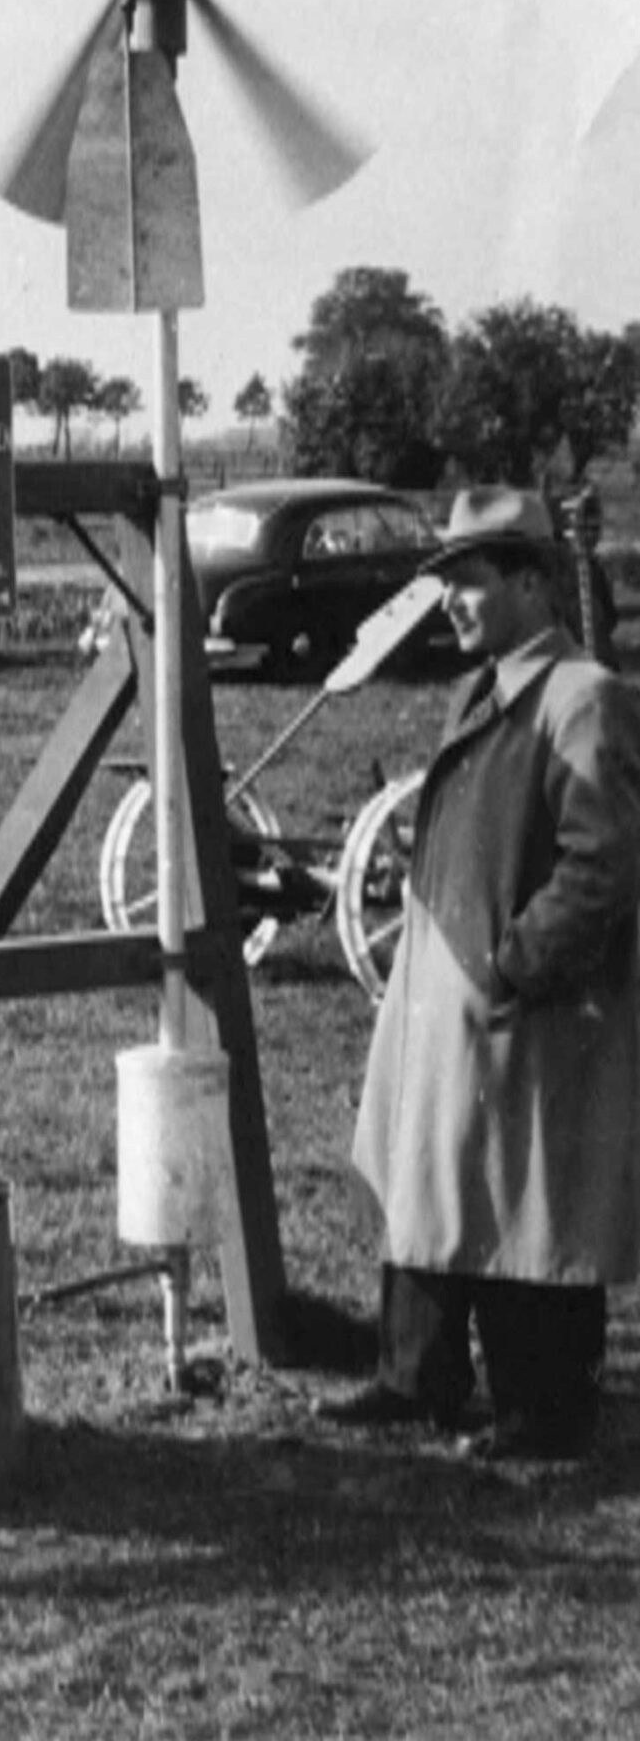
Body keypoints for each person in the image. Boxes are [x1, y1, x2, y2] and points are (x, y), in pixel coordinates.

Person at [326, 484, 640, 1459]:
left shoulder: (581, 698)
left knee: (529, 1205)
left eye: (468, 580)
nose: (451, 601)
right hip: (444, 999)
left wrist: (520, 964)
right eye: (446, 581)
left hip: (528, 1009)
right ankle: (417, 1377)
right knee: (431, 1179)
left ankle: (543, 1409)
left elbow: (604, 860)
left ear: (530, 583)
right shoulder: (484, 687)